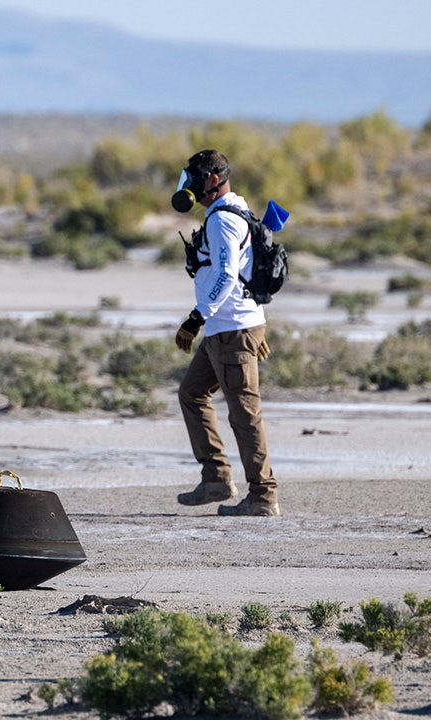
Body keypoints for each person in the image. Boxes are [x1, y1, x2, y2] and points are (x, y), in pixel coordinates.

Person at [171, 150, 280, 517]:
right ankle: (216, 478)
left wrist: (195, 318)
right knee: (192, 393)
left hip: (230, 328)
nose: (190, 186)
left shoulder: (223, 221)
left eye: (196, 178)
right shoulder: (229, 213)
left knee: (244, 413)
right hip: (228, 327)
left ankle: (263, 495)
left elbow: (227, 275)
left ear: (214, 180)